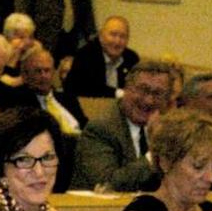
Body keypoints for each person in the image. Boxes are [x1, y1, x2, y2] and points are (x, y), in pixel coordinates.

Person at [71, 59, 172, 191]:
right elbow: (107, 184)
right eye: (143, 90)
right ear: (126, 88)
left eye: (158, 93)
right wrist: (154, 153)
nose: (149, 100)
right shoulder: (101, 129)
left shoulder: (169, 131)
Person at [63, 15, 138, 98]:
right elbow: (85, 88)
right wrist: (120, 93)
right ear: (101, 36)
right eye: (113, 35)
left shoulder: (131, 59)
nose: (117, 41)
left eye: (123, 36)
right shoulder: (86, 55)